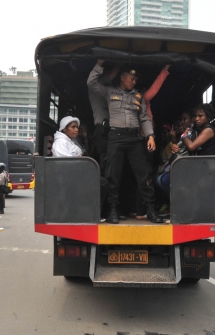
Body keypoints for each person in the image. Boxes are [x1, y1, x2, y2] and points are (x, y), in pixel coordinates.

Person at [87, 60, 162, 224]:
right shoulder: (108, 92)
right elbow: (91, 83)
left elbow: (144, 118)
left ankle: (151, 209)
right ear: (122, 77)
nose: (134, 82)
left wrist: (150, 136)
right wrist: (99, 64)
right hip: (116, 137)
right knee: (113, 175)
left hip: (135, 138)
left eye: (135, 80)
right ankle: (112, 210)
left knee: (144, 174)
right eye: (131, 79)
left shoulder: (138, 97)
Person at [52, 116, 108, 218]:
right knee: (102, 183)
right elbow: (65, 162)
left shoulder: (72, 141)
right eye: (73, 127)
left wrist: (85, 139)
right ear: (64, 129)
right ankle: (93, 214)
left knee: (103, 179)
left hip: (77, 174)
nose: (76, 130)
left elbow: (84, 153)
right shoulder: (61, 142)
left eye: (77, 127)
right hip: (69, 178)